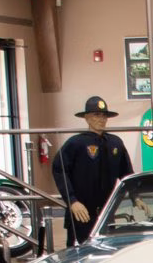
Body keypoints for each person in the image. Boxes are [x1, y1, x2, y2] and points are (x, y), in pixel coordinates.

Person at [52, 96, 134, 245]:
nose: (101, 119)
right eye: (96, 115)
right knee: (79, 251)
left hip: (106, 210)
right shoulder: (76, 143)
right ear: (87, 118)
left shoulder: (115, 143)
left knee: (108, 248)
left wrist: (136, 196)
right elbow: (59, 170)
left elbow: (126, 172)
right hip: (82, 211)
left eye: (104, 116)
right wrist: (72, 201)